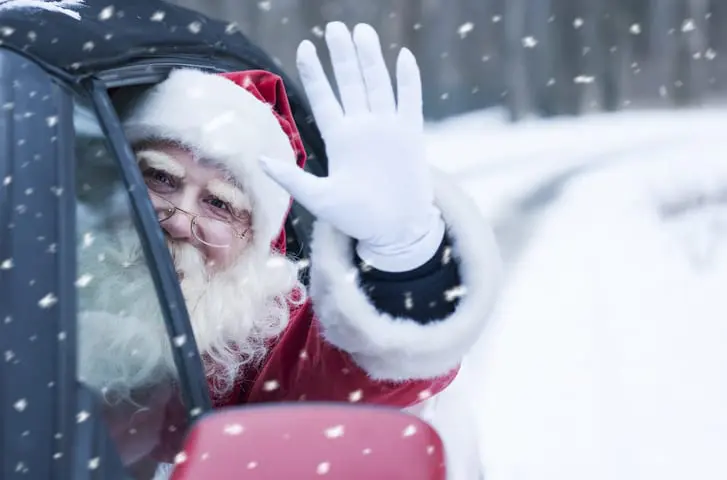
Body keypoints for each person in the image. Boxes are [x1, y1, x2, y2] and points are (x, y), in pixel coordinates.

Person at [76, 21, 501, 474]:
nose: (180, 220)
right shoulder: (32, 256)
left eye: (219, 204)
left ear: (254, 243)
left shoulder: (253, 340)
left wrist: (403, 260)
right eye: (160, 177)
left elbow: (349, 376)